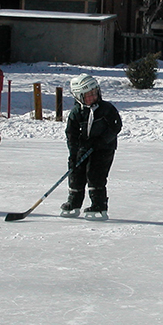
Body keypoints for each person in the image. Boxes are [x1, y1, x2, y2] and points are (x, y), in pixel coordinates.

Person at [61, 73, 122, 221]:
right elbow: (71, 134)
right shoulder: (76, 113)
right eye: (88, 95)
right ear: (78, 96)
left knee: (95, 174)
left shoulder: (106, 109)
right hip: (84, 147)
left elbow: (116, 127)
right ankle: (74, 203)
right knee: (76, 172)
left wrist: (101, 141)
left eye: (95, 93)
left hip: (104, 149)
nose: (93, 97)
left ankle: (99, 205)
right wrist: (74, 154)